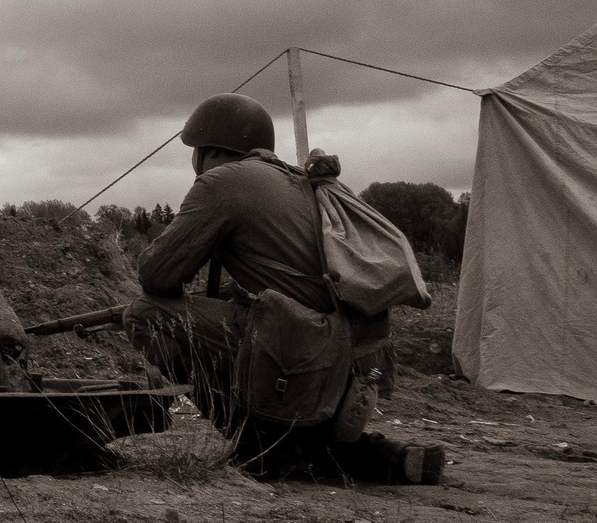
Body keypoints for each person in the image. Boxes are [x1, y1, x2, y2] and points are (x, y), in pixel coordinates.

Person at [124, 93, 448, 484]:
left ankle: (258, 443)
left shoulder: (223, 182)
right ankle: (359, 455)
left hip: (306, 351)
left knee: (143, 316)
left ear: (208, 150)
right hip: (356, 351)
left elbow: (157, 276)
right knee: (322, 451)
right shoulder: (298, 181)